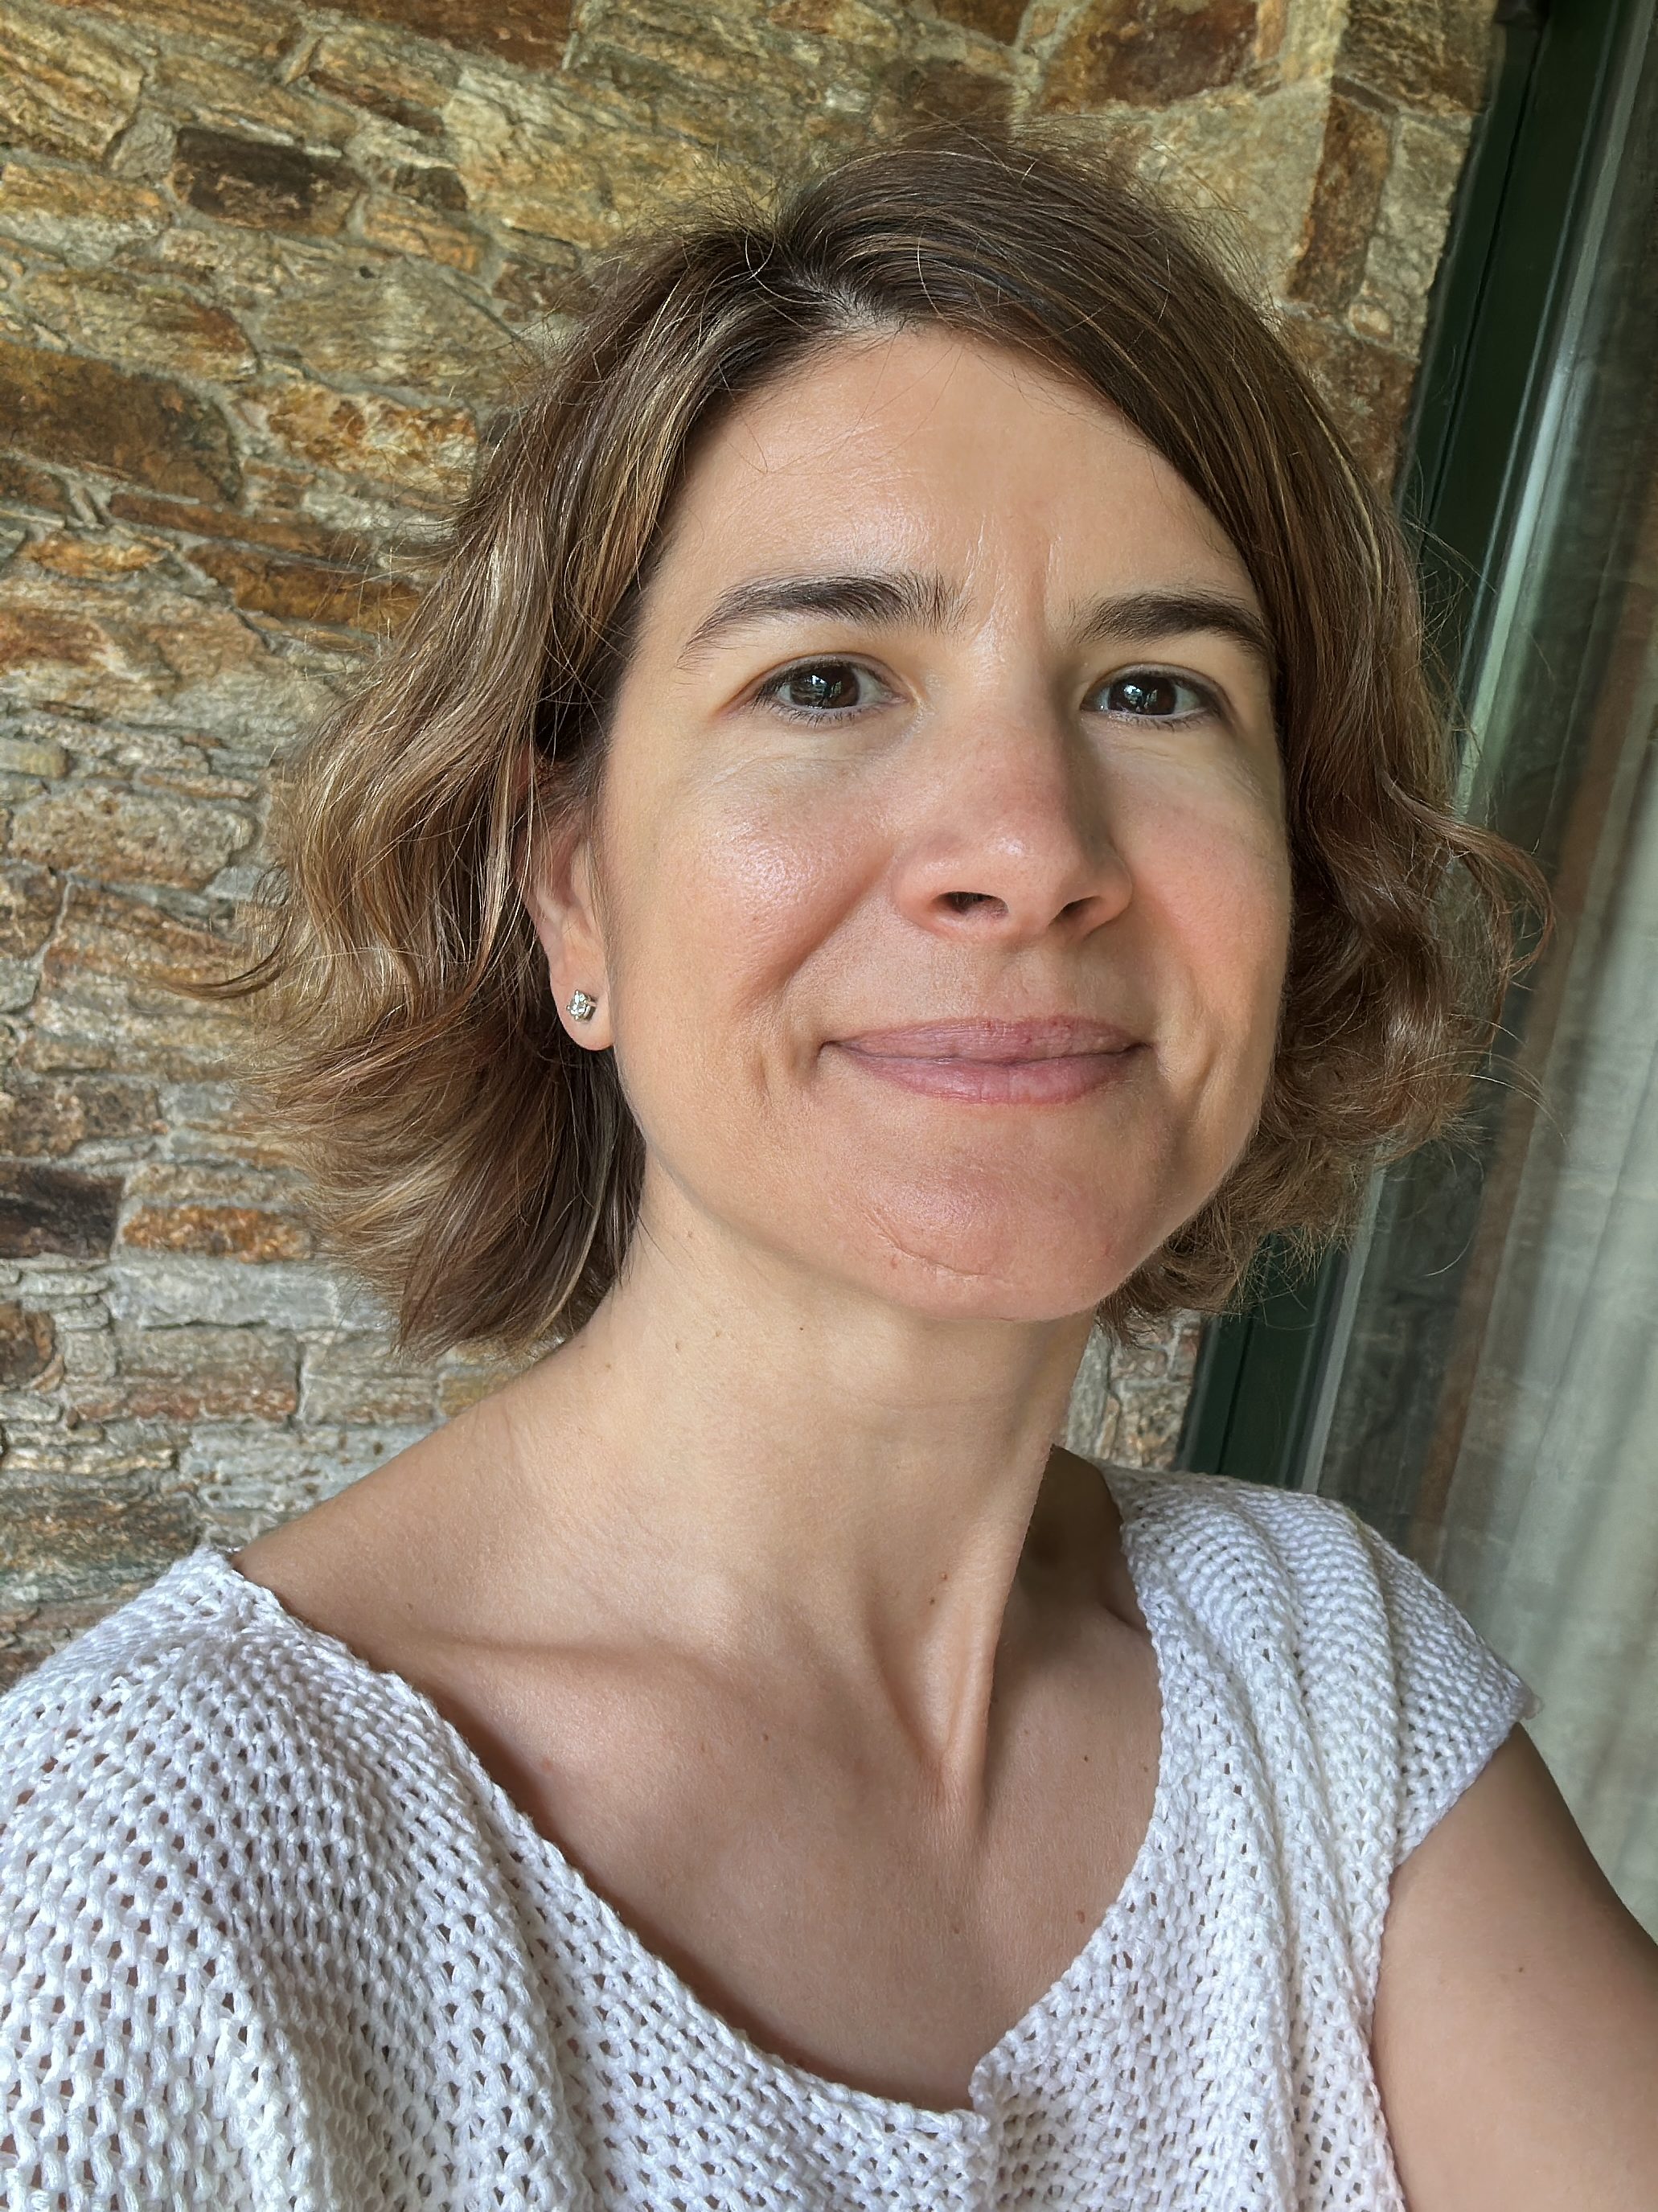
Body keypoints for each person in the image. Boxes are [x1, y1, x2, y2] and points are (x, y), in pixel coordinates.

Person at [3, 121, 1656, 2212]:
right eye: (829, 679)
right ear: (573, 890)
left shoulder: (1330, 1685)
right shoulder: (121, 1908)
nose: (1031, 847)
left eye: (1157, 688)